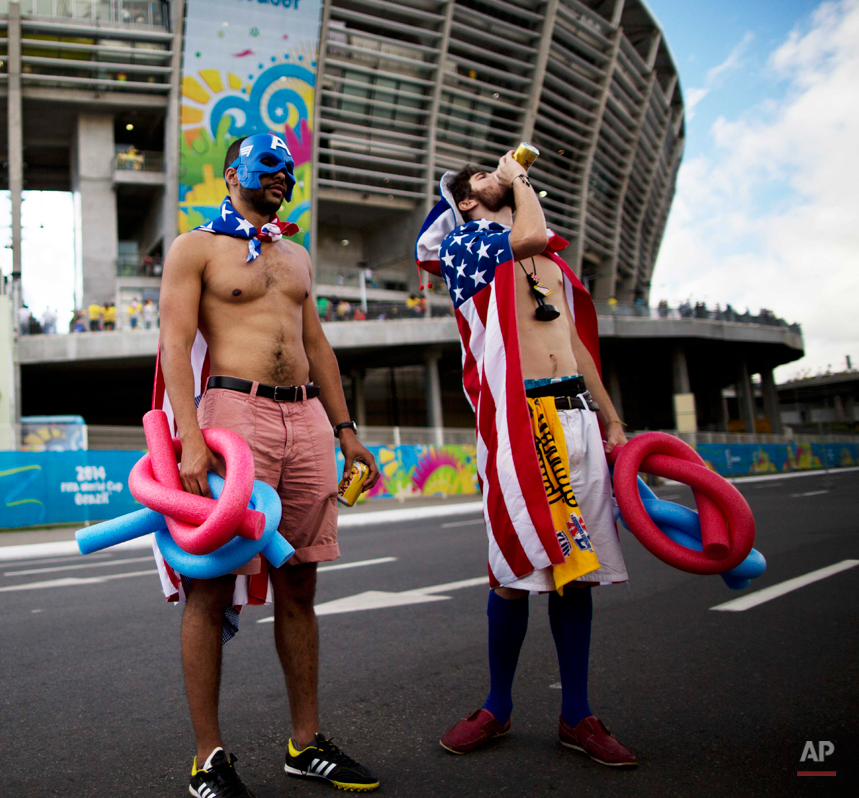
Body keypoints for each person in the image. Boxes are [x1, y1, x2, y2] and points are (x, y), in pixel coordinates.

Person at [158, 132, 382, 795]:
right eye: (269, 164)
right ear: (232, 173)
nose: (283, 175)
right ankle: (208, 758)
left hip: (306, 418)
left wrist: (345, 431)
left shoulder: (295, 256)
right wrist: (190, 436)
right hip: (234, 416)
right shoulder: (194, 247)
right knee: (208, 584)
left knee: (301, 580)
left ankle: (305, 742)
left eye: (291, 168)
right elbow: (173, 345)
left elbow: (318, 347)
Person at [419, 153, 636, 767]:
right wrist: (517, 182)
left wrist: (612, 418)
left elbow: (573, 343)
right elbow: (531, 231)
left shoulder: (547, 262)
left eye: (497, 171)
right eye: (481, 177)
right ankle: (496, 703)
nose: (495, 173)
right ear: (464, 201)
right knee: (512, 572)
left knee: (576, 568)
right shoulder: (466, 247)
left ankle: (578, 715)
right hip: (519, 422)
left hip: (574, 417)